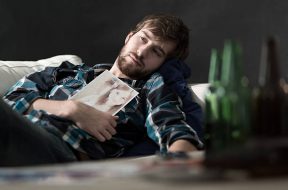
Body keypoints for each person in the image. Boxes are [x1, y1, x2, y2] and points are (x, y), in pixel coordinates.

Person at [0, 13, 204, 166]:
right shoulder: (68, 72)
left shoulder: (150, 89)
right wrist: (70, 109)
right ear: (129, 36)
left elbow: (175, 132)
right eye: (143, 39)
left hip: (60, 152)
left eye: (156, 51)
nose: (142, 51)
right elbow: (11, 99)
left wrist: (180, 166)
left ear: (163, 63)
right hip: (23, 129)